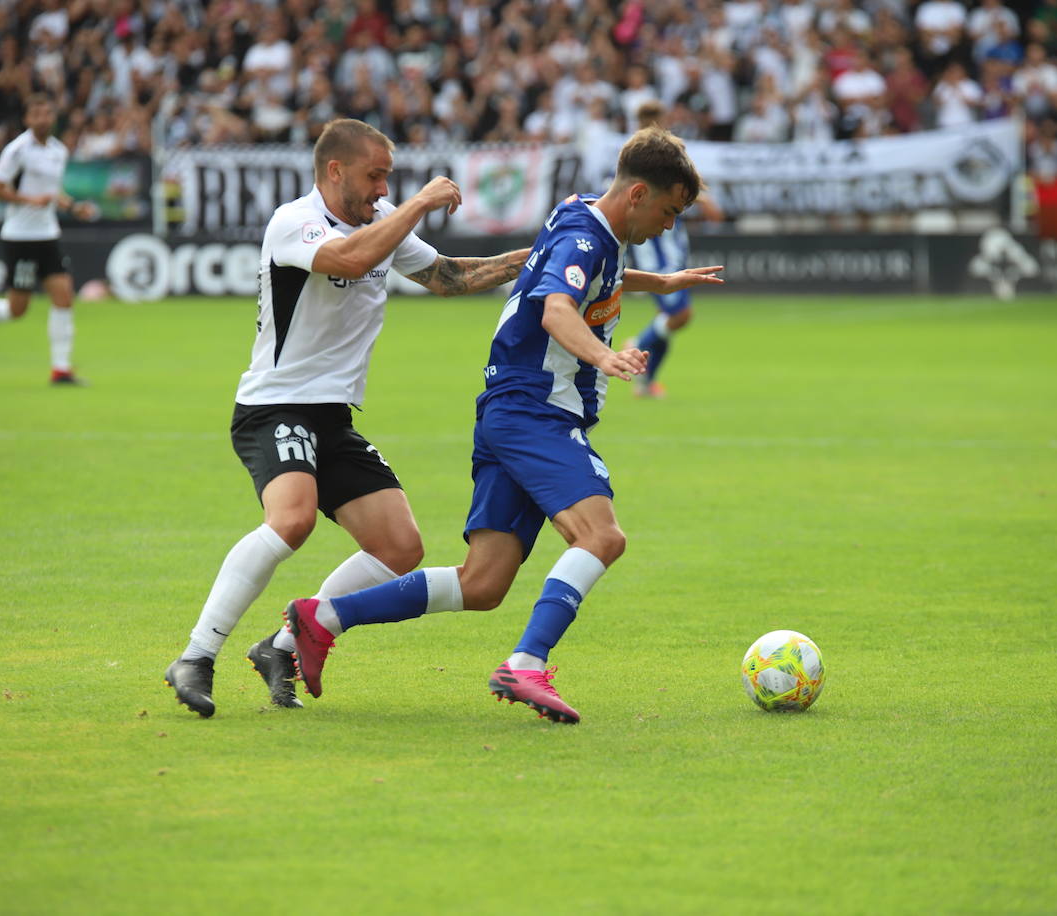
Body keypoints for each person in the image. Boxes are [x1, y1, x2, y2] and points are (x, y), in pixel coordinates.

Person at [279, 126, 723, 724]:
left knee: (483, 584)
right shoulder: (589, 238)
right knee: (601, 536)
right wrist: (602, 355)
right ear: (639, 193)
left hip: (509, 409)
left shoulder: (583, 218)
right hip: (535, 408)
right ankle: (527, 663)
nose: (669, 227)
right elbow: (556, 305)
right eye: (669, 211)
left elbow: (564, 276)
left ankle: (321, 617)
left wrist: (661, 282)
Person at [164, 118, 529, 718]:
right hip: (274, 405)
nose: (382, 189)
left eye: (388, 177)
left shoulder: (377, 225)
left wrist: (531, 259)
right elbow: (350, 261)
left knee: (400, 545)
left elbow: (448, 277)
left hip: (330, 418)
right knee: (293, 520)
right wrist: (417, 202)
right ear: (335, 171)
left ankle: (281, 645)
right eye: (374, 175)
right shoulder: (295, 221)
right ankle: (197, 656)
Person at [0, 94, 97, 384]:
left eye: (47, 113)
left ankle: (60, 369)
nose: (42, 119)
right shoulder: (17, 150)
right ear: (27, 119)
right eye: (36, 114)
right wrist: (28, 200)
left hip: (47, 234)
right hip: (20, 236)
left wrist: (73, 206)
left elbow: (51, 192)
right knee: (17, 309)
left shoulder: (58, 151)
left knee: (63, 296)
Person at [623, 101, 723, 399]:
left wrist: (701, 201)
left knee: (669, 319)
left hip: (673, 254)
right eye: (649, 122)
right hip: (656, 261)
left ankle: (647, 382)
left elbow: (689, 193)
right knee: (680, 315)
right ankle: (637, 344)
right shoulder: (630, 165)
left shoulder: (669, 163)